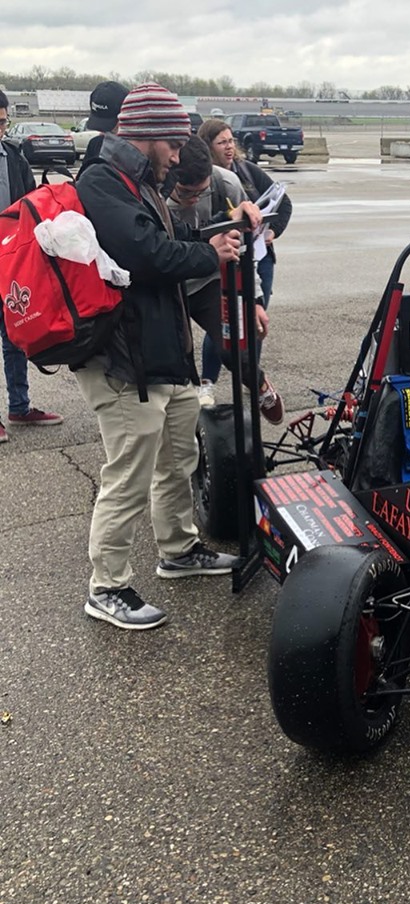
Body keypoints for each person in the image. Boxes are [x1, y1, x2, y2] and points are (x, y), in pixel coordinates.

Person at [74, 83, 243, 630]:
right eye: (172, 142)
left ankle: (178, 550)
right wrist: (206, 252)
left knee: (176, 458)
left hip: (160, 354)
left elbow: (168, 241)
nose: (177, 153)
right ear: (145, 134)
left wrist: (217, 235)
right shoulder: (102, 180)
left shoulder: (139, 181)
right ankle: (108, 586)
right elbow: (144, 252)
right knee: (127, 473)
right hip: (124, 360)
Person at [164, 136, 284, 420]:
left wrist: (254, 300)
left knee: (233, 347)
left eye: (200, 193)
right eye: (185, 193)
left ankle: (261, 386)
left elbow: (245, 250)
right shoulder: (156, 191)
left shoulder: (226, 183)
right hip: (170, 280)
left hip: (209, 279)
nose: (193, 200)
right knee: (173, 359)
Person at [196, 119, 293, 397]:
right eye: (222, 142)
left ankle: (253, 377)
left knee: (254, 320)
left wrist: (272, 231)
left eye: (231, 141)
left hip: (258, 258)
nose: (229, 147)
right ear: (208, 147)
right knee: (221, 320)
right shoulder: (209, 179)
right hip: (223, 259)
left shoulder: (248, 172)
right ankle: (207, 383)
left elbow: (284, 202)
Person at [0, 89, 63, 444]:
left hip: (9, 263)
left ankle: (20, 407)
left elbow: (28, 206)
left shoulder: (13, 157)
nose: (1, 129)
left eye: (4, 122)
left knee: (14, 335)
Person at [77, 80, 128, 176]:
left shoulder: (139, 151)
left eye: (109, 130)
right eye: (101, 129)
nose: (102, 134)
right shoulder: (96, 144)